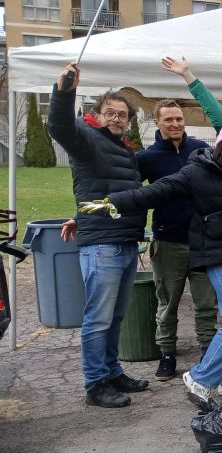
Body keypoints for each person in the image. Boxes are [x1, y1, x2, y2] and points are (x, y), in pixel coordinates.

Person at [100, 122, 222, 402]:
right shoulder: (197, 171)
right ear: (221, 141)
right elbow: (158, 191)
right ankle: (200, 377)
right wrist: (114, 202)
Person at [48, 63, 151, 409]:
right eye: (111, 112)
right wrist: (64, 92)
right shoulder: (87, 139)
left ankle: (111, 370)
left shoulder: (125, 149)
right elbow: (59, 126)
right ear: (98, 114)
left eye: (123, 114)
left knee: (116, 316)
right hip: (101, 244)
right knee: (98, 318)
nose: (117, 118)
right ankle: (95, 383)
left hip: (124, 241)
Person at [136, 97, 221, 381]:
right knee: (167, 303)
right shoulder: (146, 158)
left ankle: (208, 351)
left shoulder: (200, 149)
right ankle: (167, 354)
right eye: (168, 119)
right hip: (168, 240)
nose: (175, 124)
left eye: (179, 119)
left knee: (206, 303)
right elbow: (135, 194)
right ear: (157, 121)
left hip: (202, 240)